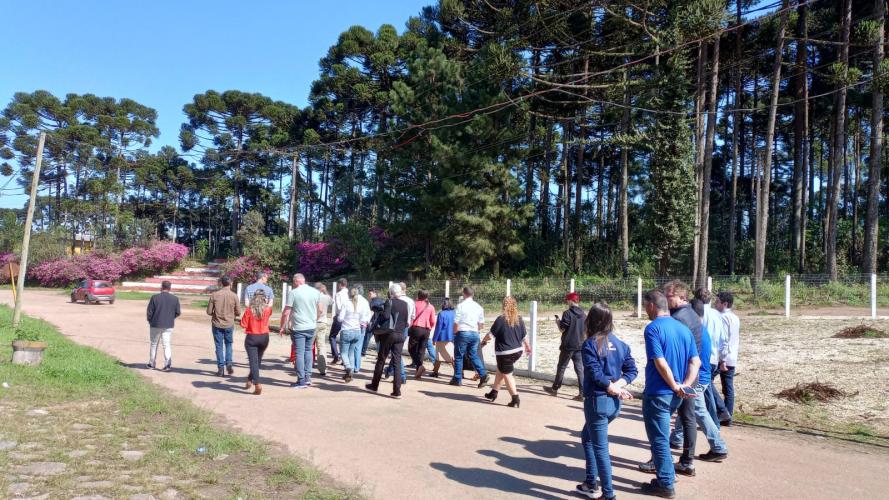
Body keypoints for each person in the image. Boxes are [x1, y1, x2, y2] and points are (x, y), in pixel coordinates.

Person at [638, 290, 700, 499]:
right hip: (676, 394)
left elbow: (660, 361)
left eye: (645, 306)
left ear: (652, 305)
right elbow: (695, 361)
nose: (645, 310)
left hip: (659, 392)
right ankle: (668, 475)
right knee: (662, 438)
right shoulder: (683, 329)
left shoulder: (653, 329)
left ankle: (665, 483)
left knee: (659, 440)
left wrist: (674, 385)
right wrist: (685, 386)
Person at [575, 303, 637, 500]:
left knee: (600, 448)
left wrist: (612, 386)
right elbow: (632, 370)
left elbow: (594, 373)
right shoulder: (621, 344)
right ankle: (590, 482)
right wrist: (618, 385)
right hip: (613, 404)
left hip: (598, 402)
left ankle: (608, 494)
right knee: (587, 437)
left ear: (591, 321)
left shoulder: (590, 344)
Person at [669, 298, 729, 463]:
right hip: (700, 376)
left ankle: (718, 446)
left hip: (698, 377)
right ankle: (677, 438)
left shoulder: (696, 331)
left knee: (698, 411)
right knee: (687, 409)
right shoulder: (700, 329)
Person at [481, 297, 531, 408]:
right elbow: (524, 336)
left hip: (505, 353)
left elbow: (490, 335)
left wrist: (483, 341)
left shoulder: (501, 319)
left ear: (503, 305)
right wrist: (528, 346)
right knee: (501, 370)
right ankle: (494, 392)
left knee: (507, 375)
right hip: (517, 351)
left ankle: (515, 398)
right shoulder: (519, 319)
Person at [366, 283, 409, 399]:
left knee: (381, 359)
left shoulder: (389, 302)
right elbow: (406, 321)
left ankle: (374, 385)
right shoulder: (405, 304)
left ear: (391, 293)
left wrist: (378, 317)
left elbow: (385, 316)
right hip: (400, 335)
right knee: (397, 362)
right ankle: (397, 391)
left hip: (389, 334)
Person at [280, 273, 322, 389]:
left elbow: (286, 312)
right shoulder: (315, 292)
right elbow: (320, 309)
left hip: (298, 327)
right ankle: (307, 377)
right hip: (311, 326)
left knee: (299, 353)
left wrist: (282, 326)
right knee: (308, 351)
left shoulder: (294, 293)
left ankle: (301, 380)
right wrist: (315, 319)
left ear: (296, 281)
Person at [694, 287, 728, 427]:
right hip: (714, 356)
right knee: (706, 388)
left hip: (703, 356)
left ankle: (719, 415)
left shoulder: (698, 314)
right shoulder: (717, 314)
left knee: (705, 388)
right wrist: (722, 357)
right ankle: (719, 414)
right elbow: (723, 338)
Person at [545, 292, 586, 401]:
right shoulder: (584, 314)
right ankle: (582, 393)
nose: (567, 302)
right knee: (580, 369)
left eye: (567, 300)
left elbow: (562, 329)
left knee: (562, 367)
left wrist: (558, 322)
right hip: (580, 345)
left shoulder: (567, 313)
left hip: (568, 345)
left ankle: (554, 389)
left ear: (571, 301)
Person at [450, 286, 488, 388]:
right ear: (473, 294)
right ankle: (483, 374)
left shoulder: (460, 306)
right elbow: (481, 324)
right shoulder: (479, 307)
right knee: (473, 355)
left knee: (459, 356)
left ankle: (457, 378)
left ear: (463, 294)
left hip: (463, 332)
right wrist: (475, 330)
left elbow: (456, 322)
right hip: (474, 333)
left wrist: (455, 333)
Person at [206, 276, 241, 377]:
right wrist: (231, 314)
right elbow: (238, 312)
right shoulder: (234, 296)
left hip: (217, 324)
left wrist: (216, 314)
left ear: (221, 283)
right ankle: (229, 363)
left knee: (219, 346)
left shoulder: (215, 295)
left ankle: (220, 368)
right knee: (229, 344)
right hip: (229, 324)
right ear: (230, 283)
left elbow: (209, 311)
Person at [715, 291, 740, 426]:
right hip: (732, 355)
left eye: (717, 302)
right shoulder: (735, 317)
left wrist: (722, 359)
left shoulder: (723, 318)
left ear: (724, 304)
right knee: (728, 387)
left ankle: (723, 412)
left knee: (707, 383)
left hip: (724, 357)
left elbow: (724, 339)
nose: (715, 304)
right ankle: (727, 416)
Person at [240, 290, 272, 395]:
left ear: (253, 298)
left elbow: (243, 324)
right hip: (264, 337)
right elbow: (268, 313)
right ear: (265, 298)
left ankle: (257, 384)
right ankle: (250, 379)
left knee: (253, 361)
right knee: (257, 361)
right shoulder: (268, 309)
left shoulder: (249, 310)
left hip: (252, 337)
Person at [337, 286, 370, 382]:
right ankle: (350, 374)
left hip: (346, 330)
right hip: (357, 331)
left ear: (349, 294)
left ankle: (348, 367)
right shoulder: (360, 304)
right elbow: (363, 319)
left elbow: (340, 318)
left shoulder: (346, 303)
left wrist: (342, 319)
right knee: (351, 353)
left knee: (343, 353)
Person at [146, 280, 181, 371]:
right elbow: (178, 312)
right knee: (166, 344)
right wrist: (170, 318)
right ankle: (167, 364)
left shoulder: (155, 297)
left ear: (161, 287)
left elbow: (149, 312)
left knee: (154, 344)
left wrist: (150, 321)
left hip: (155, 324)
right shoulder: (175, 298)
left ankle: (152, 363)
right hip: (168, 324)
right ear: (170, 288)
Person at [408, 289, 436, 378]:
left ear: (418, 295)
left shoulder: (414, 304)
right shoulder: (431, 306)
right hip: (426, 330)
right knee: (421, 350)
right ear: (427, 296)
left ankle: (420, 366)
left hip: (416, 328)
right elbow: (433, 321)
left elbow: (411, 317)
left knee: (411, 349)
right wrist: (429, 327)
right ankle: (418, 371)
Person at [430, 297, 456, 377]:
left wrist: (434, 339)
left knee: (439, 356)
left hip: (442, 337)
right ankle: (458, 373)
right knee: (452, 356)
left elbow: (438, 328)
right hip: (452, 337)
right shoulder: (454, 313)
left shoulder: (441, 314)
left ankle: (435, 372)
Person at [329, 278, 349, 364]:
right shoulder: (349, 293)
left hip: (340, 316)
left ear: (340, 284)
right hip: (348, 317)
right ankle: (345, 359)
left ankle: (336, 356)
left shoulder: (338, 294)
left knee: (332, 336)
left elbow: (339, 307)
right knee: (344, 338)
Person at [314, 283, 332, 375]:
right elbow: (332, 301)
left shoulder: (313, 296)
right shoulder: (326, 297)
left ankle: (306, 366)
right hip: (323, 322)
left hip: (313, 322)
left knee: (308, 346)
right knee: (321, 346)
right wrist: (325, 291)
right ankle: (323, 368)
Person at [361, 289, 380, 357]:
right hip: (378, 323)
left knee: (366, 338)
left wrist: (367, 321)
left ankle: (362, 352)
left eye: (370, 294)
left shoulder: (372, 302)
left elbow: (371, 313)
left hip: (372, 323)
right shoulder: (381, 301)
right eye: (369, 294)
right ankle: (379, 354)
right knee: (378, 340)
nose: (369, 295)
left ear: (375, 293)